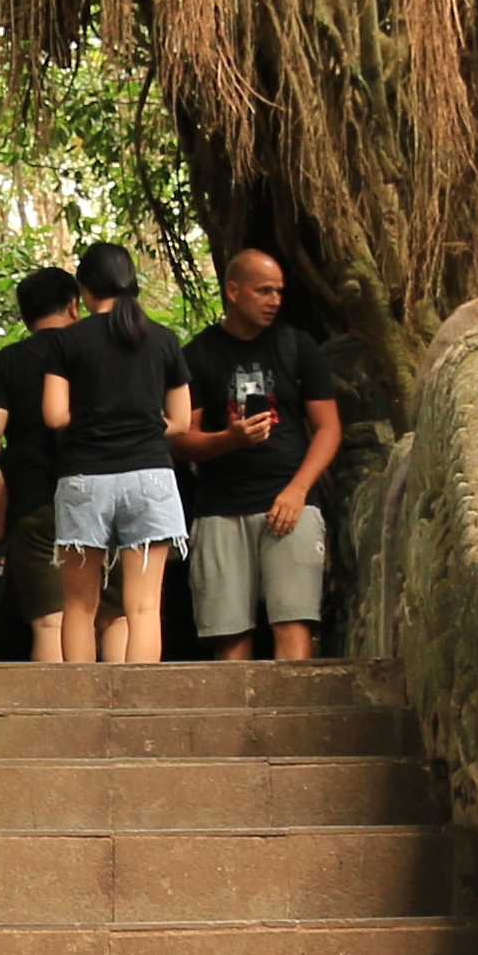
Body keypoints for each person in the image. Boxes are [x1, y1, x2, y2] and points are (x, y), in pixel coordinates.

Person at [170, 246, 342, 660]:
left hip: (289, 503)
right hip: (220, 509)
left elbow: (328, 428)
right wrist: (229, 439)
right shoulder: (198, 355)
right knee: (229, 636)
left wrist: (298, 490)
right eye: (264, 291)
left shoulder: (297, 347)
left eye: (279, 292)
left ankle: (292, 721)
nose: (275, 301)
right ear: (234, 291)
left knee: (294, 622)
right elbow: (180, 439)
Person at [33, 240, 186, 664]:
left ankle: (82, 708)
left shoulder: (67, 342)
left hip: (85, 477)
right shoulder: (164, 341)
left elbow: (54, 415)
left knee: (80, 608)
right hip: (150, 476)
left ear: (84, 289)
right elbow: (183, 422)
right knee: (144, 609)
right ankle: (140, 710)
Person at [0, 263, 86, 660]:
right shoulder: (96, 353)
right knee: (105, 616)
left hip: (37, 498)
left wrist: (14, 462)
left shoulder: (7, 362)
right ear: (73, 306)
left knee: (51, 621)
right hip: (99, 493)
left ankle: (56, 717)